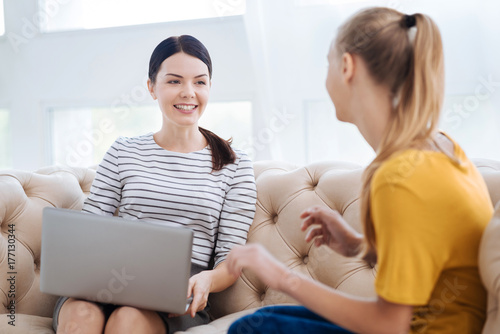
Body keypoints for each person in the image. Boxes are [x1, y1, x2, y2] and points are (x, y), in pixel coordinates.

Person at [226, 7, 493, 334]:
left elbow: (389, 325)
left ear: (346, 66)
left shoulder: (398, 178)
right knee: (261, 321)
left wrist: (280, 275)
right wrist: (356, 245)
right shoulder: (442, 148)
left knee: (253, 329)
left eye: (328, 63)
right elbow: (434, 256)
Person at [52, 35, 257, 334]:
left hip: (176, 294)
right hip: (107, 280)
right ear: (151, 87)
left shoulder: (234, 165)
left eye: (200, 82)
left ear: (209, 87)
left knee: (128, 320)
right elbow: (91, 228)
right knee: (81, 316)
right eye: (174, 81)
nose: (189, 93)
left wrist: (207, 280)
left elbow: (230, 257)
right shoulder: (123, 151)